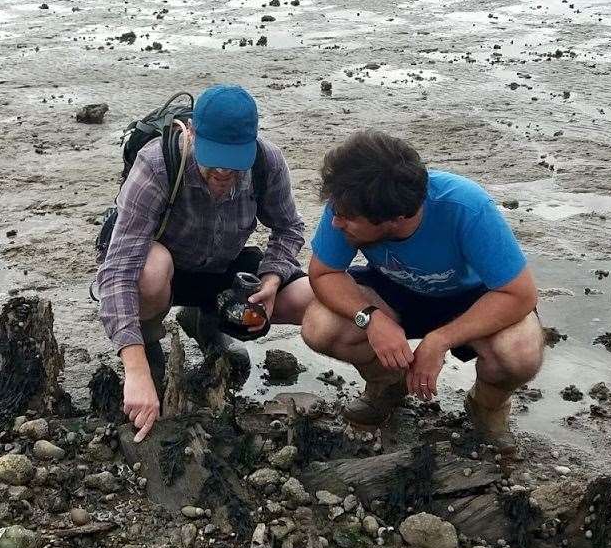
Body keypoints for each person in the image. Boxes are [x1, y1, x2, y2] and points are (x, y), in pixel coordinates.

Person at [300, 130, 543, 454]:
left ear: (395, 220)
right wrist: (370, 319)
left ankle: (487, 406)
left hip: (469, 297)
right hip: (392, 289)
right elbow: (324, 272)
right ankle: (387, 385)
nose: (335, 223)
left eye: (346, 218)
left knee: (520, 352)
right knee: (320, 326)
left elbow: (520, 294)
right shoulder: (349, 199)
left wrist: (441, 340)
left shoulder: (466, 207)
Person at [96, 84, 313, 442]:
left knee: (307, 298)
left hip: (223, 267)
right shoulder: (156, 164)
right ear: (192, 133)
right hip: (164, 269)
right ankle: (150, 349)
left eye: (234, 161)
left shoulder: (266, 161)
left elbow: (289, 228)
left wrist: (273, 278)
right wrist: (134, 368)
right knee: (149, 272)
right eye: (213, 158)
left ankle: (206, 322)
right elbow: (119, 269)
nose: (223, 173)